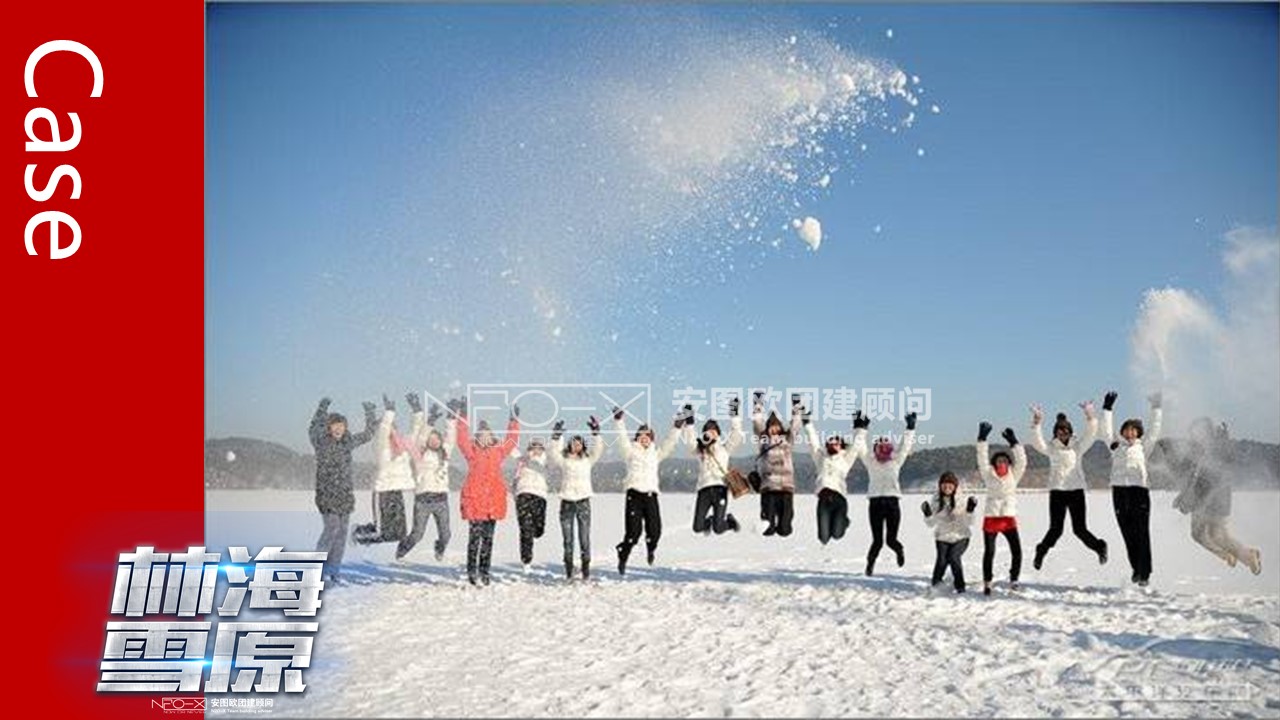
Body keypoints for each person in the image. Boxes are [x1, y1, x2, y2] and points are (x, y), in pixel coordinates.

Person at [1172, 418, 1262, 575]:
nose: (1195, 437)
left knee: (1211, 535)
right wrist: (1183, 497)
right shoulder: (1198, 452)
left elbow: (1220, 471)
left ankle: (1242, 556)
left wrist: (1224, 440)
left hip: (1215, 499)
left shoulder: (1218, 449)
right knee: (1208, 535)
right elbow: (1191, 476)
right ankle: (1239, 555)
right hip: (1204, 499)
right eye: (1194, 434)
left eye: (1199, 433)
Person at [1029, 401, 1108, 570]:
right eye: (1059, 431)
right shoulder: (1051, 448)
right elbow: (1037, 442)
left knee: (1080, 529)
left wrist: (1090, 415)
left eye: (1066, 430)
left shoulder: (1078, 447)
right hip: (1057, 491)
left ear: (1070, 432)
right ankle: (1041, 552)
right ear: (1055, 433)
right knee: (1055, 530)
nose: (1063, 433)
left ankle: (1099, 547)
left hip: (1076, 491)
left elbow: (1091, 434)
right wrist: (1037, 422)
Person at [309, 397, 377, 583]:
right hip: (326, 494)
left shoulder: (348, 442)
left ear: (345, 428)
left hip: (345, 495)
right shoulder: (321, 442)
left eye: (341, 425)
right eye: (335, 425)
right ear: (329, 427)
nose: (338, 428)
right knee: (331, 529)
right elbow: (313, 428)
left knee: (341, 535)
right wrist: (322, 408)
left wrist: (370, 413)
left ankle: (334, 571)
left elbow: (368, 434)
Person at [456, 398, 521, 586]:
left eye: (487, 434)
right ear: (477, 438)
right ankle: (472, 571)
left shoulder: (498, 451)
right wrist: (463, 415)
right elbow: (461, 438)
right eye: (481, 435)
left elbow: (511, 440)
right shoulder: (472, 452)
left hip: (493, 502)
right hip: (475, 502)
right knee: (474, 539)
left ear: (492, 436)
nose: (485, 437)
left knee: (488, 540)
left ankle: (484, 571)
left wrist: (513, 421)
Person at [1102, 390, 1162, 587]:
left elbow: (1155, 430)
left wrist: (1156, 407)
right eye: (1126, 429)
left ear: (1138, 433)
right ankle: (1136, 568)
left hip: (1139, 491)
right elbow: (1106, 431)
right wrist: (1107, 409)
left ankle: (1145, 573)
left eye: (1133, 430)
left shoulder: (1144, 446)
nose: (1129, 432)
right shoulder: (1115, 446)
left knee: (1142, 532)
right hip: (1119, 492)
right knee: (1127, 532)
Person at [613, 406, 682, 575]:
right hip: (634, 494)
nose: (644, 438)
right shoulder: (630, 452)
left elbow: (669, 443)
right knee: (633, 533)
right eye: (641, 435)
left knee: (655, 530)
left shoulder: (656, 454)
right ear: (637, 437)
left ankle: (651, 549)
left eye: (648, 435)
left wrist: (676, 428)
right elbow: (622, 438)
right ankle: (623, 553)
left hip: (651, 495)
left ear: (651, 439)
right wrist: (619, 421)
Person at [852, 410, 918, 576]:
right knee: (877, 541)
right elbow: (860, 447)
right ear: (875, 449)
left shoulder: (896, 461)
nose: (883, 448)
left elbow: (905, 446)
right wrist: (860, 428)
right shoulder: (870, 462)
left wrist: (910, 427)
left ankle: (899, 550)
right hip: (875, 503)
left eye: (886, 445)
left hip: (892, 503)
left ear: (890, 448)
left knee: (891, 540)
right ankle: (870, 565)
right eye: (880, 446)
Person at [395, 393, 455, 562]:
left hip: (441, 500)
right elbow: (421, 438)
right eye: (431, 439)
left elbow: (451, 437)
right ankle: (402, 549)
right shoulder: (420, 454)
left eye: (437, 439)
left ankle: (439, 548)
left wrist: (451, 418)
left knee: (446, 534)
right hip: (423, 500)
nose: (434, 441)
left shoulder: (445, 454)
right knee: (417, 534)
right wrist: (430, 422)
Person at [353, 394, 417, 546]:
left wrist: (417, 410)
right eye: (389, 426)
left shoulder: (404, 446)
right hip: (382, 490)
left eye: (394, 426)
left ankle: (368, 533)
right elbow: (383, 430)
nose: (392, 429)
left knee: (399, 534)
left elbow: (415, 431)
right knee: (382, 534)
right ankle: (357, 535)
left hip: (397, 490)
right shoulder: (381, 445)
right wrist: (389, 412)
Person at [548, 417, 605, 580]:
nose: (576, 446)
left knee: (584, 538)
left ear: (583, 446)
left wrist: (596, 433)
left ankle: (586, 566)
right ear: (569, 445)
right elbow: (553, 452)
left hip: (583, 501)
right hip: (566, 501)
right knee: (568, 539)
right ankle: (568, 567)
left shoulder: (587, 460)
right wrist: (556, 436)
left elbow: (598, 449)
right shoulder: (564, 460)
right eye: (573, 443)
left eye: (579, 443)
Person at [975, 421, 1028, 595]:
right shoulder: (988, 474)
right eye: (998, 460)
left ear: (1008, 462)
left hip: (1008, 518)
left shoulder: (1014, 475)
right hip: (991, 518)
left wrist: (1014, 442)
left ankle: (1014, 579)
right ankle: (987, 582)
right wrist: (982, 439)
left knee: (1017, 551)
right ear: (994, 463)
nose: (1001, 462)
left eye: (1004, 460)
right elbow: (981, 459)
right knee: (989, 552)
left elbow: (1022, 461)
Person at [685, 401, 746, 535]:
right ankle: (710, 520)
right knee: (697, 527)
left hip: (720, 488)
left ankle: (729, 522)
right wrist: (689, 422)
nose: (711, 433)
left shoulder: (725, 448)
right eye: (708, 431)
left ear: (718, 434)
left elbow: (737, 434)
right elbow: (690, 442)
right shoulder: (700, 450)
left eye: (714, 431)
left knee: (718, 529)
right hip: (704, 489)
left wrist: (734, 414)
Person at [805, 412, 864, 545]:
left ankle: (844, 521)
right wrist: (807, 423)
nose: (833, 445)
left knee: (837, 535)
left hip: (839, 500)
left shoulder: (846, 459)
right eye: (830, 443)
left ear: (841, 446)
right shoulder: (821, 458)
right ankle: (834, 523)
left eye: (836, 443)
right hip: (823, 500)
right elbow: (813, 442)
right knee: (823, 538)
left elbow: (855, 446)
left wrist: (860, 428)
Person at [751, 393, 803, 537]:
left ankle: (783, 527)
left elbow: (795, 425)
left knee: (785, 530)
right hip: (768, 488)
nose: (774, 430)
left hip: (786, 488)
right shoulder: (763, 441)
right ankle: (760, 526)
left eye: (776, 426)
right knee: (767, 529)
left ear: (781, 427)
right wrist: (758, 404)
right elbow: (757, 423)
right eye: (771, 427)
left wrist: (796, 406)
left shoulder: (788, 440)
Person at [921, 472, 979, 593]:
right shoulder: (936, 501)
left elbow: (969, 522)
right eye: (944, 485)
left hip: (961, 536)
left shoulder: (961, 500)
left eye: (950, 486)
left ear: (955, 487)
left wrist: (970, 510)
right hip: (942, 537)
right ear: (940, 486)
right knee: (941, 561)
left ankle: (960, 586)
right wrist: (927, 514)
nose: (947, 488)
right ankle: (936, 584)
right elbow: (931, 524)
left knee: (953, 557)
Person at [512, 438, 551, 571]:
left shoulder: (546, 461)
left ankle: (535, 532)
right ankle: (526, 560)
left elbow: (555, 450)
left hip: (540, 496)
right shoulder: (523, 460)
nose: (536, 450)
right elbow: (511, 449)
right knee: (525, 528)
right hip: (524, 493)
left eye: (539, 448)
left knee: (539, 529)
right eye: (533, 447)